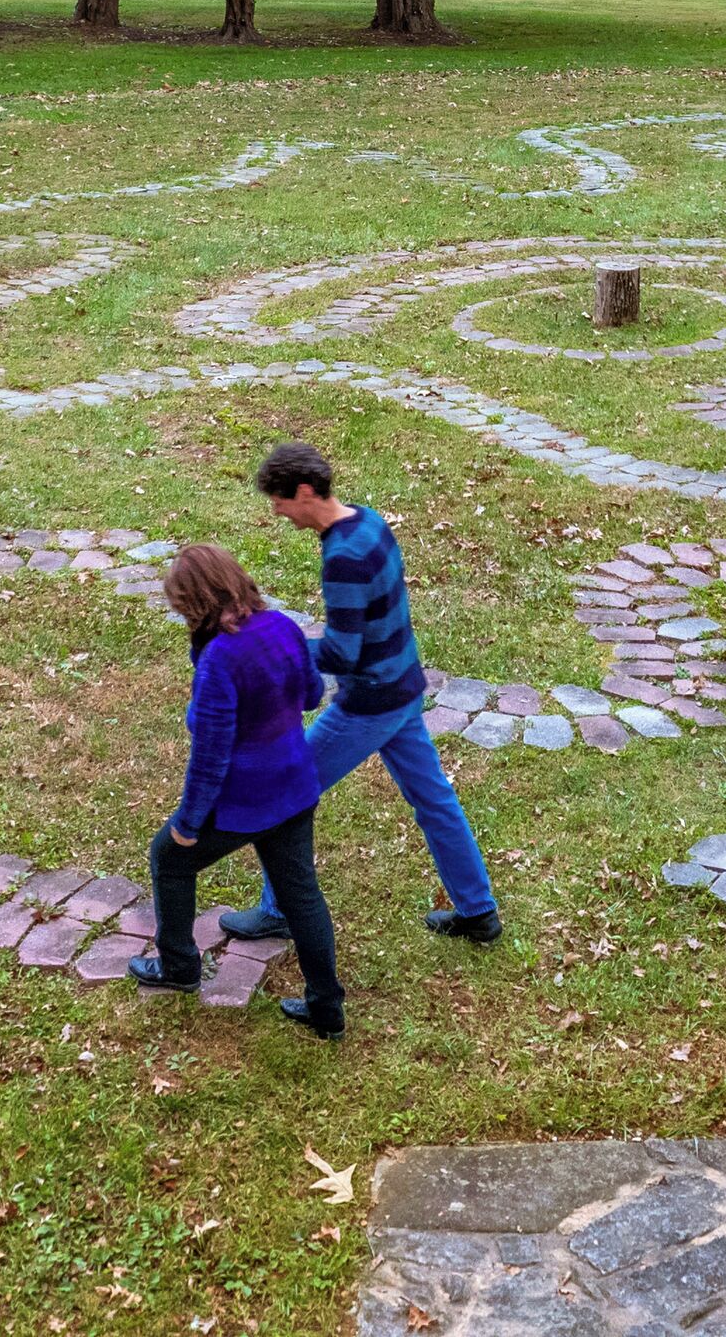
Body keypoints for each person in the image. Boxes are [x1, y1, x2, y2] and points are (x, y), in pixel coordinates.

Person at [220, 440, 503, 950]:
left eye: (280, 501)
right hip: (404, 688)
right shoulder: (368, 521)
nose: (277, 511)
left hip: (370, 704)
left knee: (283, 791)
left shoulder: (343, 557)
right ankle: (478, 910)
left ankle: (277, 909)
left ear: (305, 492)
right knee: (435, 801)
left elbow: (342, 654)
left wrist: (280, 648)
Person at [128, 542, 344, 1039]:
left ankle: (180, 968)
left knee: (169, 859)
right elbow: (312, 694)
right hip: (294, 787)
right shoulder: (284, 625)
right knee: (302, 895)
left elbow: (210, 759)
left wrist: (186, 825)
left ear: (194, 603)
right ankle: (327, 1010)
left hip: (244, 802)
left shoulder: (219, 660)